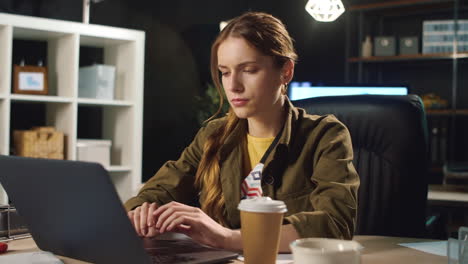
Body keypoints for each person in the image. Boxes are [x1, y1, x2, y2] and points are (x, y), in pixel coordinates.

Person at [125, 11, 359, 252]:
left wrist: (225, 237)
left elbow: (334, 224)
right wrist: (141, 213)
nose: (233, 86)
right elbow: (160, 189)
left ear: (286, 72)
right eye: (225, 72)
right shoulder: (213, 134)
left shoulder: (325, 136)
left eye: (248, 70)